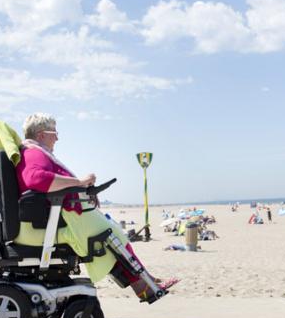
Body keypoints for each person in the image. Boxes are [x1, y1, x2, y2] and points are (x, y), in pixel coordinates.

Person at [15, 113, 178, 302]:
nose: (57, 137)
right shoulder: (34, 152)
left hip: (56, 215)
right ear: (41, 134)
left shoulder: (33, 151)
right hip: (55, 218)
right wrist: (80, 182)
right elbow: (36, 179)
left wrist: (83, 190)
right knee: (113, 235)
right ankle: (144, 284)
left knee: (113, 236)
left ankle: (144, 281)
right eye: (54, 133)